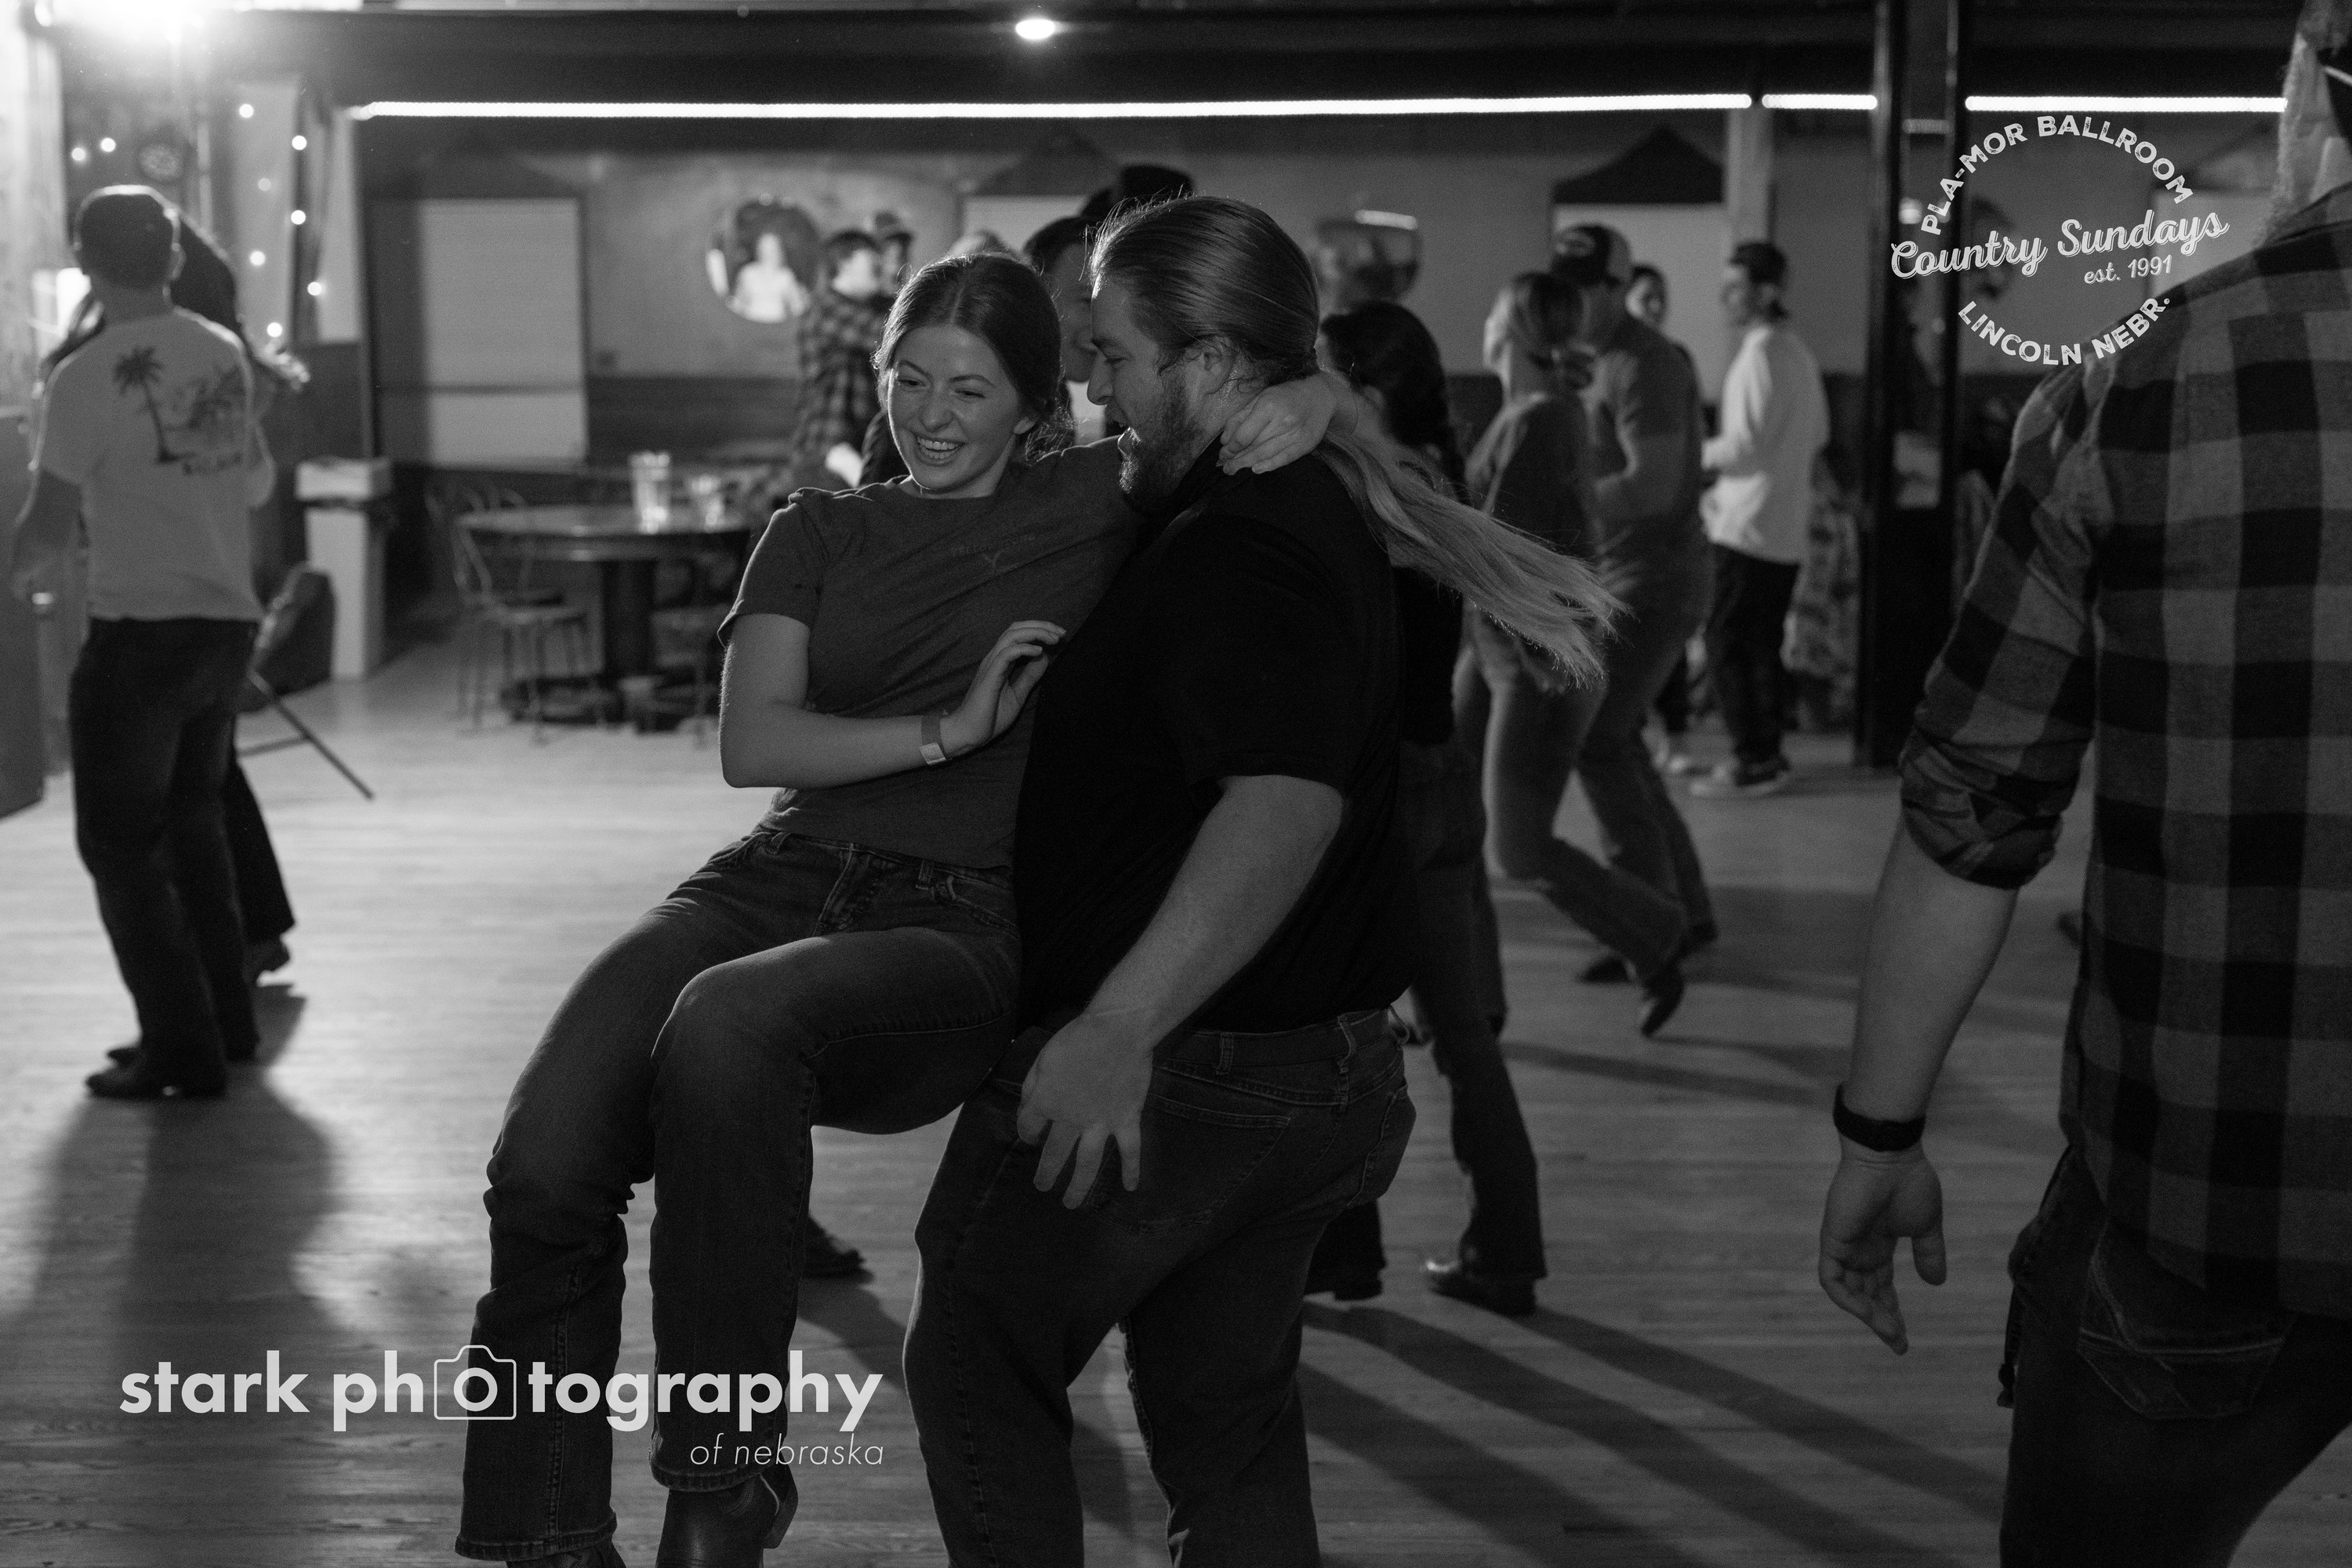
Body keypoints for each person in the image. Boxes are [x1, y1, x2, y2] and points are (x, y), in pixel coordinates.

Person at [452, 252, 1341, 1568]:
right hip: (773, 875)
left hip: (958, 918)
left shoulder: (1098, 498)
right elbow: (756, 742)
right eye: (909, 380)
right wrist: (948, 730)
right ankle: (546, 1536)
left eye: (968, 391)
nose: (929, 415)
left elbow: (1264, 402)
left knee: (729, 1024)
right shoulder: (816, 528)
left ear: (1037, 406)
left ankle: (722, 1476)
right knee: (541, 1167)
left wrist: (1320, 397)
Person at [903, 196, 1611, 1566]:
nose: (1093, 382)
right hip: (1294, 1081)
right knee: (1224, 1430)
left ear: (1214, 364)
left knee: (977, 1363)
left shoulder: (1247, 534)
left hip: (1199, 1077)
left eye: (1115, 354)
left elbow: (1283, 805)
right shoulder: (1269, 489)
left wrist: (1117, 1028)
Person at [1817, 9, 2352, 1563]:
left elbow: (1973, 810)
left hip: (2206, 1213)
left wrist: (1877, 1136)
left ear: (2316, 91)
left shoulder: (2142, 382)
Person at [1305, 299, 1546, 1316]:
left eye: (1321, 369)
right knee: (1461, 1036)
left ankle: (1344, 1252)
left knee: (1336, 1023)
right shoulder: (1437, 476)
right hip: (1441, 771)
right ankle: (1507, 1248)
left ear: (1364, 388)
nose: (1305, 385)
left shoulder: (1364, 491)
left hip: (1383, 787)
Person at [6, 187, 274, 1099]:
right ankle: (225, 1026)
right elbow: (255, 484)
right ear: (173, 258)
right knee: (195, 829)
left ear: (85, 262)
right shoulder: (223, 350)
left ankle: (180, 1047)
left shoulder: (84, 377)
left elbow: (47, 525)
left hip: (142, 637)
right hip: (225, 626)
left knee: (120, 848)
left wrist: (17, 573)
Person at [1456, 270, 1690, 1031]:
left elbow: (1501, 552)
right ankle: (1463, 998)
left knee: (1518, 848)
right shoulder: (1528, 415)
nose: (1484, 323)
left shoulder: (1538, 422)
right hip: (1501, 652)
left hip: (1538, 663)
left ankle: (1655, 930)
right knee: (1444, 821)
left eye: (1494, 311)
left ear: (1513, 331)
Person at [1550, 222, 1718, 985]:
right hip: (1628, 576)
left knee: (1597, 738)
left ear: (1620, 287)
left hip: (1654, 579)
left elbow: (1652, 487)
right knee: (1617, 741)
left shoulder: (1646, 362)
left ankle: (1650, 921)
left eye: (1592, 287)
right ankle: (1683, 911)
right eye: (1567, 287)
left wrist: (1561, 503)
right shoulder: (1590, 359)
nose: (1578, 300)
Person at [1690, 241, 1829, 800]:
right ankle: (1768, 754)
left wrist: (1692, 454)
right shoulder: (1797, 353)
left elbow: (1743, 447)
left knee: (1726, 641)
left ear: (1766, 292)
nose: (1725, 297)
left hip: (1745, 525)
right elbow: (1818, 435)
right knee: (1762, 645)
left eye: (1736, 287)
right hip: (1784, 526)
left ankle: (1752, 759)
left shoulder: (1759, 356)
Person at [1625, 262, 1701, 778]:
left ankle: (1675, 735)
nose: (1655, 306)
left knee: (1667, 640)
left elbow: (1693, 436)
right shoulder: (1613, 362)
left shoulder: (1677, 359)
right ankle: (1628, 736)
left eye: (1661, 296)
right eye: (1645, 296)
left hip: (1669, 522)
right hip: (1623, 529)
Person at [789, 230, 888, 490]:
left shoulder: (865, 308)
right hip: (827, 452)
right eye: (872, 260)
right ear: (844, 264)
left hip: (852, 448)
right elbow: (885, 333)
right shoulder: (826, 309)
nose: (880, 265)